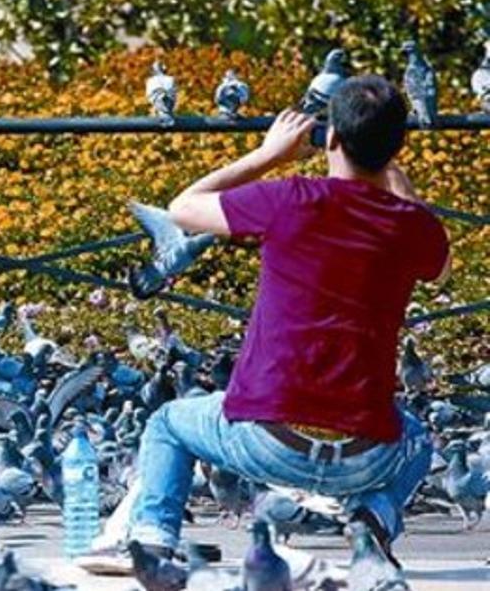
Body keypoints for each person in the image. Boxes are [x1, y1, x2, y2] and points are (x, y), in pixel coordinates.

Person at [125, 76, 449, 566]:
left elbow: (181, 211)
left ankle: (154, 543)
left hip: (267, 440)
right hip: (366, 454)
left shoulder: (291, 200)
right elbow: (441, 266)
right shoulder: (412, 226)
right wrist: (402, 190)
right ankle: (372, 519)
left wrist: (268, 155)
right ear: (396, 147)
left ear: (331, 138)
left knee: (167, 423)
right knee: (420, 439)